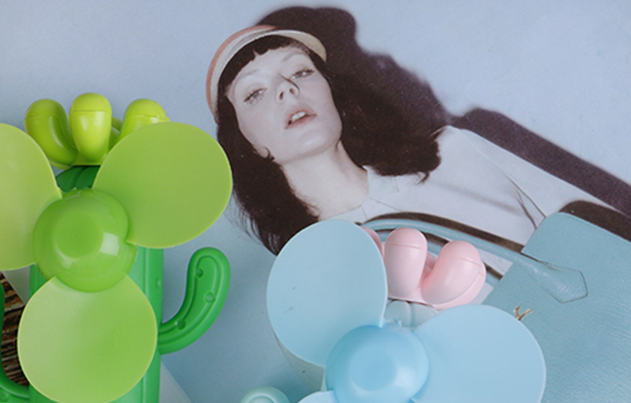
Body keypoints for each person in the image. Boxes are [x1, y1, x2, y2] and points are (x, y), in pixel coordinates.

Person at [206, 8, 604, 258]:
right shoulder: (314, 274)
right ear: (245, 144)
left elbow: (603, 233)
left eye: (301, 70)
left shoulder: (460, 151)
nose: (287, 89)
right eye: (254, 93)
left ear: (333, 94)